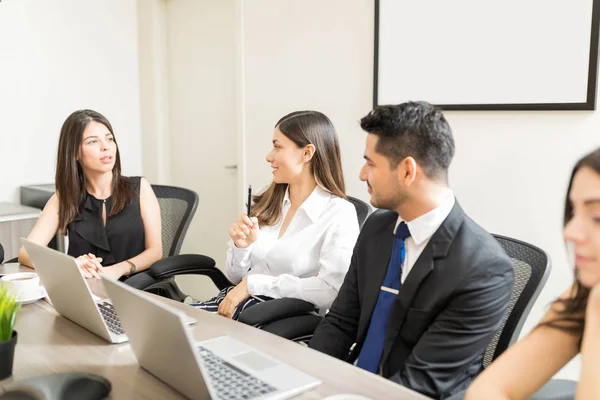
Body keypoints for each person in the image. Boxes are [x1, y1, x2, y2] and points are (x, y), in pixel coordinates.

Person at [308, 101, 515, 399]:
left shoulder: (484, 270)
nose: (362, 174)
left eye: (371, 163)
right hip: (349, 385)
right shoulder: (377, 228)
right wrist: (301, 379)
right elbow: (342, 322)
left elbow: (422, 382)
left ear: (407, 171)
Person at [191, 110, 360, 320]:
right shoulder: (270, 203)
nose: (269, 156)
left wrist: (254, 285)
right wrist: (241, 248)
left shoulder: (338, 213)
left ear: (307, 153)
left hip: (269, 317)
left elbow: (331, 291)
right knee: (169, 329)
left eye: (277, 146)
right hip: (233, 303)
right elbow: (235, 278)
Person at [465, 148, 600, 400]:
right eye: (573, 212)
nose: (570, 231)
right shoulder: (583, 295)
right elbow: (489, 389)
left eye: (597, 217)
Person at [18, 109, 162, 283]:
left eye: (109, 139)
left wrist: (118, 269)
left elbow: (155, 251)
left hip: (139, 289)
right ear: (75, 153)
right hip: (88, 292)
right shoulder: (64, 198)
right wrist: (72, 264)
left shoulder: (140, 188)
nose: (106, 146)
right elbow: (26, 254)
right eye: (93, 141)